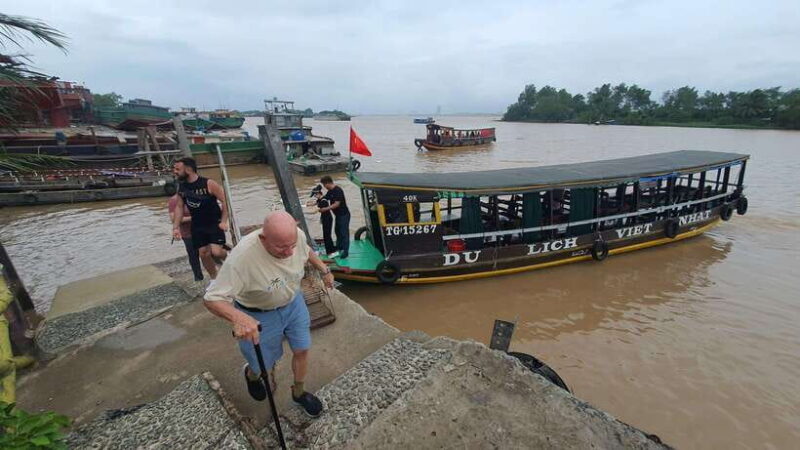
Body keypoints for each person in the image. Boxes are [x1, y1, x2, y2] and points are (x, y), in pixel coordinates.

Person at [204, 211, 333, 418]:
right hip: (258, 314)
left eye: (291, 245)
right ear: (263, 239)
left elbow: (305, 250)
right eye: (281, 247)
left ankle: (298, 393)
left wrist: (324, 270)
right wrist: (239, 318)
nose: (289, 252)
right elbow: (212, 298)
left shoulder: (295, 236)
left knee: (302, 349)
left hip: (294, 304)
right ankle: (251, 375)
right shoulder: (242, 258)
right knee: (263, 364)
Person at [171, 157, 229, 279]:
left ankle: (230, 257)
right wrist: (175, 228)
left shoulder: (208, 183)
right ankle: (214, 278)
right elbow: (179, 207)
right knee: (203, 253)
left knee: (216, 252)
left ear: (188, 169)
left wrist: (224, 221)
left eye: (177, 169)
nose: (175, 171)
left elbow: (225, 202)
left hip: (214, 222)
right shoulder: (181, 188)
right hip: (197, 226)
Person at [168, 194, 204, 281]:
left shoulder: (198, 195)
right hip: (188, 233)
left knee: (208, 252)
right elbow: (174, 219)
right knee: (193, 256)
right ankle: (198, 277)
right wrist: (193, 217)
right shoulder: (174, 200)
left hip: (203, 229)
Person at [319, 176, 350, 259]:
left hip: (344, 215)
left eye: (324, 185)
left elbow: (337, 204)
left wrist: (325, 209)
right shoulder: (330, 191)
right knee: (337, 231)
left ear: (328, 183)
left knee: (344, 233)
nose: (324, 187)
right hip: (338, 215)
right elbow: (325, 198)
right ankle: (339, 247)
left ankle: (345, 251)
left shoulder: (338, 191)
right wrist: (315, 201)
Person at [306, 184, 335, 256]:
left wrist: (303, 212)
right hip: (324, 219)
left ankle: (331, 252)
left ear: (318, 194)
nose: (315, 197)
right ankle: (330, 249)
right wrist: (307, 204)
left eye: (315, 195)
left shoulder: (323, 201)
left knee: (327, 236)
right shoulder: (320, 199)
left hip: (328, 220)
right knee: (326, 235)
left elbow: (314, 211)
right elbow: (314, 203)